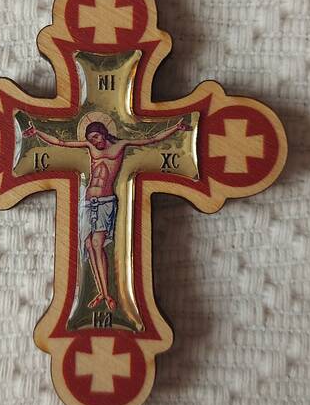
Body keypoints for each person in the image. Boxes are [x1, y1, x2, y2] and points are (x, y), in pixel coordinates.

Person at [23, 118, 189, 311]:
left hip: (105, 202)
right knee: (88, 245)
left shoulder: (120, 145)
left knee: (97, 244)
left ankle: (107, 294)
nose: (94, 142)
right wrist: (37, 132)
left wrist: (175, 128)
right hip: (88, 202)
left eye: (96, 137)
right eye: (91, 139)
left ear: (103, 133)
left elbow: (151, 139)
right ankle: (101, 293)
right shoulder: (90, 147)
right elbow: (61, 142)